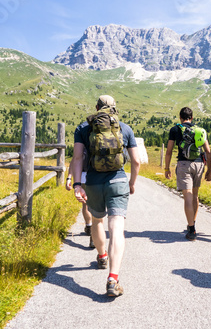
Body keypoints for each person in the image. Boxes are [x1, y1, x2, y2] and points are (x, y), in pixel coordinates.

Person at [71, 95, 140, 297]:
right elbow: (136, 161)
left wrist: (77, 184)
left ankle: (101, 257)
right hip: (118, 181)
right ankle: (113, 278)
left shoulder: (83, 129)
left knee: (97, 221)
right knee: (117, 228)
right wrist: (132, 183)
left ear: (97, 108)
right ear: (115, 109)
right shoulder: (124, 128)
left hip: (93, 182)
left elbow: (77, 158)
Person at [165, 107, 211, 241]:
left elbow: (168, 151)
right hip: (199, 164)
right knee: (195, 195)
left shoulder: (175, 129)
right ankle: (193, 223)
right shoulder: (199, 130)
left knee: (187, 197)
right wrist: (208, 170)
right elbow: (208, 151)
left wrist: (167, 168)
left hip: (184, 164)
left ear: (180, 117)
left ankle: (191, 229)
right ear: (192, 118)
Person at [65, 156, 94, 249]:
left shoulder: (82, 141)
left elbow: (75, 159)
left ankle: (89, 226)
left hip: (82, 177)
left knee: (85, 204)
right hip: (99, 176)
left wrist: (69, 177)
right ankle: (94, 235)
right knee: (97, 206)